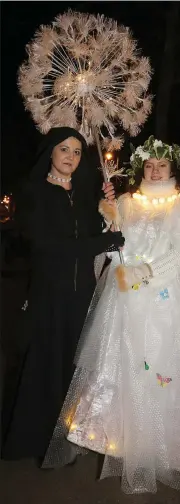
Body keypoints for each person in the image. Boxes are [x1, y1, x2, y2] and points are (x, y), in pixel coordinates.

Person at [42, 137, 180, 499]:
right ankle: (116, 437)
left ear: (172, 169)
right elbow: (113, 242)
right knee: (120, 362)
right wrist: (113, 238)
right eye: (149, 165)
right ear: (141, 168)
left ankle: (170, 442)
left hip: (166, 302)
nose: (155, 170)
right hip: (123, 296)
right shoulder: (127, 202)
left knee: (164, 365)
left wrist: (146, 272)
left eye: (162, 165)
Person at [2, 127, 122, 462]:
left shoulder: (84, 194)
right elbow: (49, 246)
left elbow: (97, 237)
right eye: (64, 150)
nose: (70, 157)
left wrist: (108, 209)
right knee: (45, 365)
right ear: (50, 154)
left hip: (81, 296)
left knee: (73, 368)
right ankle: (35, 442)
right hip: (48, 296)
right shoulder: (35, 193)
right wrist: (103, 242)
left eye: (77, 152)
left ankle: (68, 439)